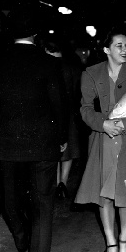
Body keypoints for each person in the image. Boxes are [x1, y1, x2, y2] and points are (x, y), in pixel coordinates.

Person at [0, 4, 69, 252]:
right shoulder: (48, 63)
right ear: (35, 35)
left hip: (7, 143)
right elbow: (58, 103)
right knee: (42, 206)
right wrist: (62, 138)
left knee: (10, 201)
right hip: (43, 143)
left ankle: (20, 232)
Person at [74, 27, 126, 252]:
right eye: (119, 45)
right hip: (103, 140)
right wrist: (103, 124)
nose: (125, 49)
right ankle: (110, 242)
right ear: (107, 49)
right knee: (105, 194)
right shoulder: (90, 74)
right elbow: (85, 109)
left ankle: (124, 238)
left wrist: (125, 125)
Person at [40, 35, 83, 200]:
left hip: (50, 112)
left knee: (55, 150)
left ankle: (57, 181)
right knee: (69, 150)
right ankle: (63, 182)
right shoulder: (71, 68)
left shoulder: (46, 66)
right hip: (70, 112)